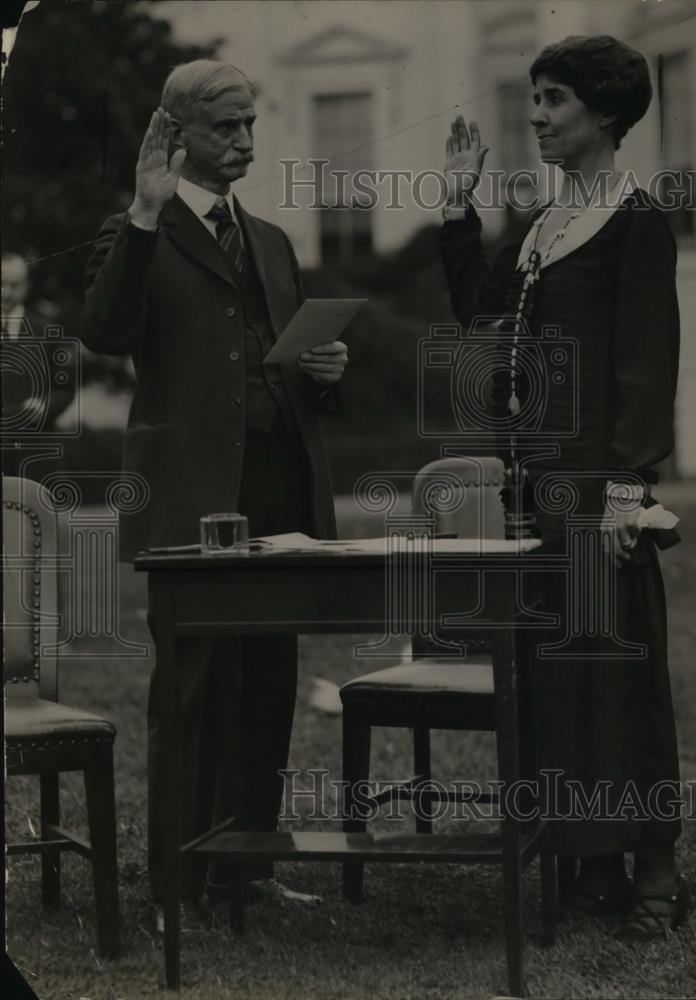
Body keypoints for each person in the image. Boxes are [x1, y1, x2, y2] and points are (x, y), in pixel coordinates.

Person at [82, 60, 348, 929]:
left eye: (249, 126)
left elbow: (284, 366)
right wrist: (144, 213)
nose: (243, 141)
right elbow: (108, 331)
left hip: (278, 495)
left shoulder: (270, 239)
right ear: (176, 134)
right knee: (193, 691)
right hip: (191, 497)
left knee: (268, 680)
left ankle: (250, 869)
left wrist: (324, 371)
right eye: (226, 127)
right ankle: (178, 885)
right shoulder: (141, 231)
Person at [439, 35, 686, 941]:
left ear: (606, 114)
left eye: (554, 100)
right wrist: (461, 201)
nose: (535, 116)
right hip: (531, 491)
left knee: (616, 675)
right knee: (561, 677)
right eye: (535, 99)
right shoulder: (545, 226)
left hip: (595, 487)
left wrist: (628, 494)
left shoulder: (635, 221)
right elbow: (480, 312)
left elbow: (644, 366)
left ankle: (653, 875)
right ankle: (588, 864)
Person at [1, 252, 75, 480]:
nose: (7, 292)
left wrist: (45, 406)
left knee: (37, 516)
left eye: (15, 285)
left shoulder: (48, 332)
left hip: (37, 454)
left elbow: (66, 388)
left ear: (26, 286)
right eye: (1, 284)